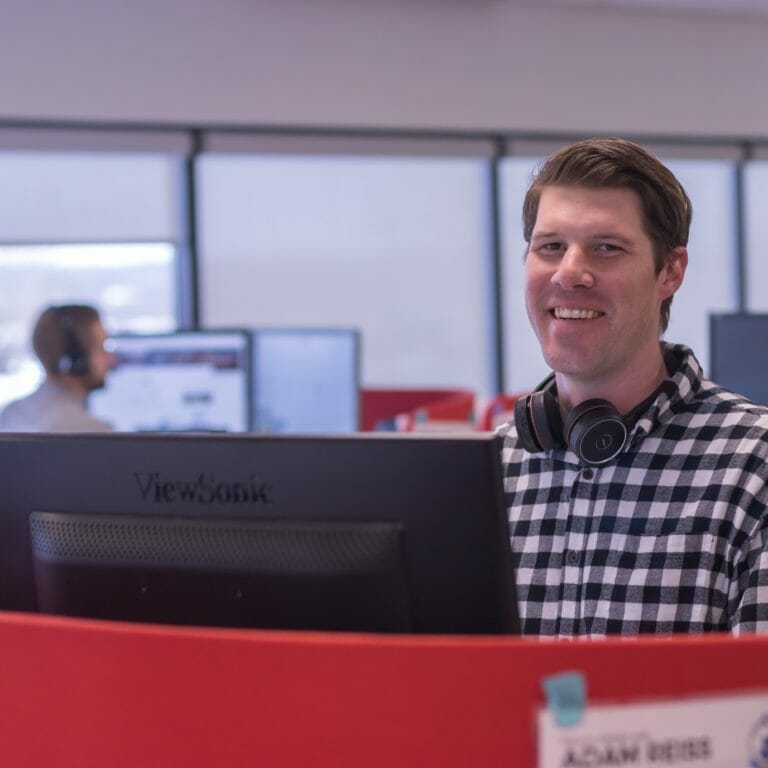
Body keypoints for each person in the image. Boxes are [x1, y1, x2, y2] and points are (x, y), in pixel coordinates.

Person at [498, 137, 768, 636]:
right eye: (550, 246)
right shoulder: (487, 474)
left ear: (670, 271)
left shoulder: (755, 468)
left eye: (607, 248)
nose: (570, 272)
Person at [0, 304, 116, 432]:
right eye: (101, 348)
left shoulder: (11, 413)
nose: (111, 359)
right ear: (76, 359)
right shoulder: (95, 433)